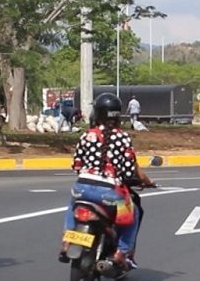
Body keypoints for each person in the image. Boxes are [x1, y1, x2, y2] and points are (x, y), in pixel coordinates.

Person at [60, 93, 154, 269]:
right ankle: (121, 252)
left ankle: (67, 241)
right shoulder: (123, 138)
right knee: (133, 215)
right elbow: (128, 170)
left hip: (82, 188)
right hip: (110, 193)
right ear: (117, 115)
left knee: (73, 205)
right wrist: (145, 181)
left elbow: (77, 164)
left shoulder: (87, 135)